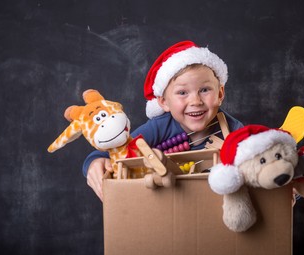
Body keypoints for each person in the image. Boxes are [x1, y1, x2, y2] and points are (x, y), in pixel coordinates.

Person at [83, 40, 244, 201]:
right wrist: (94, 161)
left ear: (220, 94)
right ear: (164, 102)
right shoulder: (159, 127)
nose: (196, 101)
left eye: (204, 90)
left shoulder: (234, 131)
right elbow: (113, 149)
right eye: (182, 92)